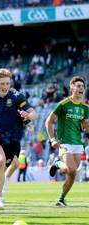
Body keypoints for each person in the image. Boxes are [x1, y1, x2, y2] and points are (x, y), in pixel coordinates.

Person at [0, 68, 38, 210]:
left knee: (1, 168)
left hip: (13, 141)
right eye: (2, 83)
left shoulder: (18, 97)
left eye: (7, 83)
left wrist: (28, 115)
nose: (5, 86)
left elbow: (34, 114)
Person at [45, 76, 88, 207]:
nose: (81, 88)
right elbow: (49, 121)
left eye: (83, 86)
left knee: (72, 174)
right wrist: (52, 139)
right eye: (78, 86)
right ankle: (57, 163)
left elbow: (85, 127)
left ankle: (61, 198)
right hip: (64, 142)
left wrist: (86, 125)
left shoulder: (85, 108)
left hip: (77, 143)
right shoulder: (63, 104)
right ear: (72, 88)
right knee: (72, 170)